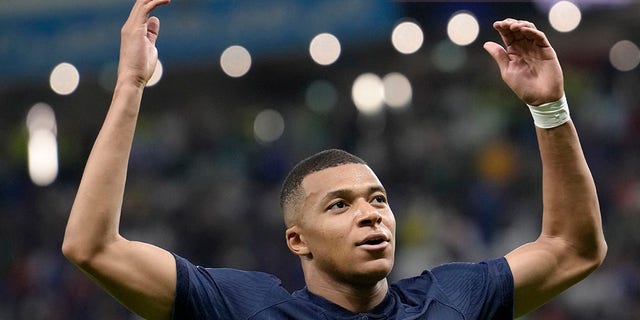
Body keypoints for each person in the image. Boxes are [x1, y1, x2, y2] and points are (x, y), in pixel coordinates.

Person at [62, 0, 607, 319]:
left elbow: (574, 249)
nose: (371, 214)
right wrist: (131, 84)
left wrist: (551, 108)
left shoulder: (451, 300)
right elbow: (92, 246)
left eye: (378, 199)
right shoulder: (248, 309)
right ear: (297, 240)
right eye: (340, 205)